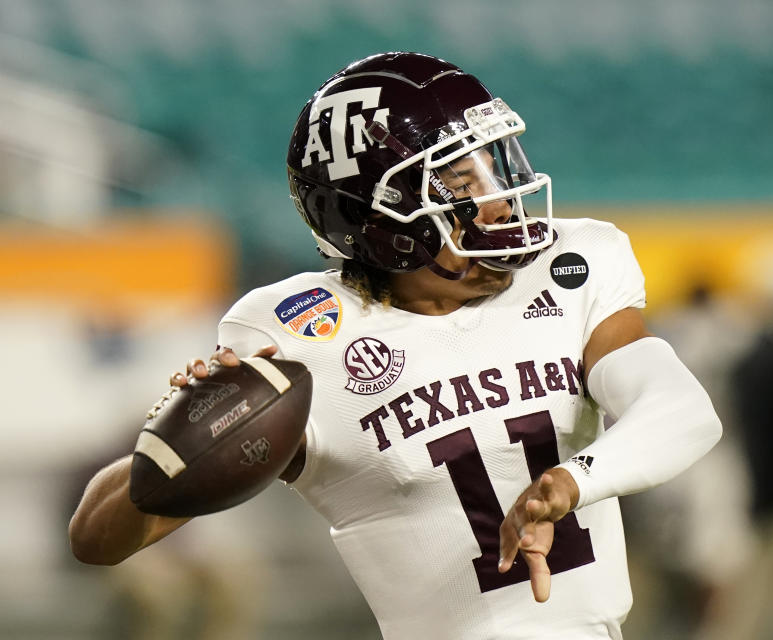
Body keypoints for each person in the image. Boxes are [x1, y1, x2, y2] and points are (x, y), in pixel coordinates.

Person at [68, 52, 722, 640]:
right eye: (463, 181)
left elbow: (682, 412)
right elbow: (97, 539)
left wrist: (568, 483)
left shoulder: (575, 263)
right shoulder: (298, 334)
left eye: (493, 165)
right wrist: (179, 442)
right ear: (384, 219)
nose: (499, 199)